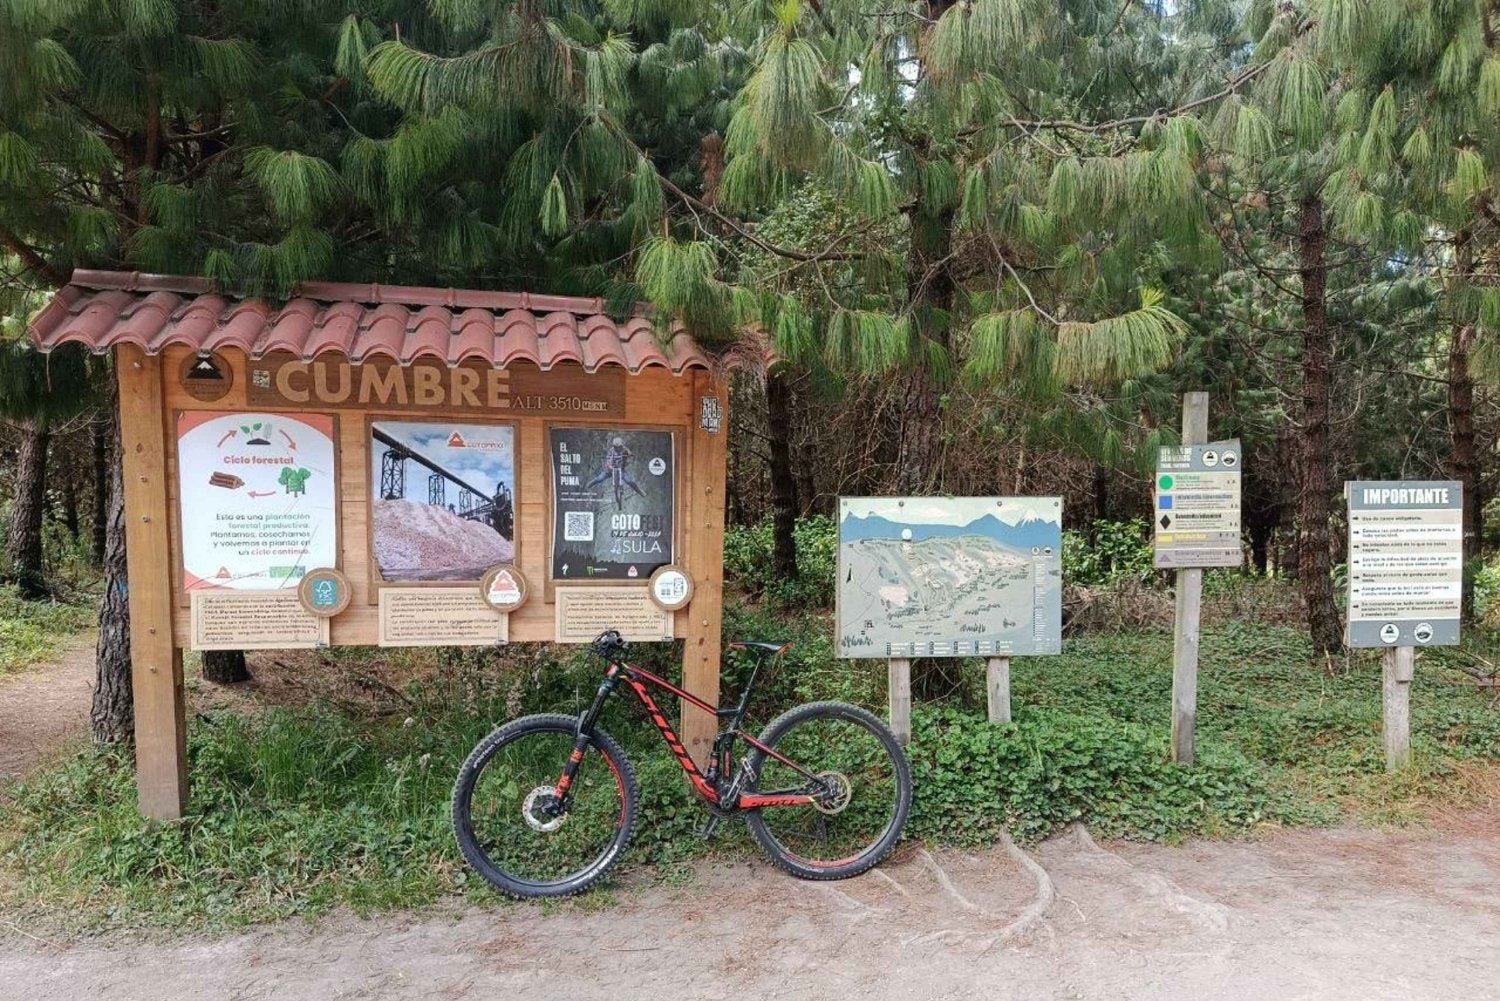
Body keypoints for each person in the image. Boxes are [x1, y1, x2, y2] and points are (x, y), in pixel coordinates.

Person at [586, 436, 647, 502]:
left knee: (629, 481)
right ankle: (590, 484)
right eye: (616, 447)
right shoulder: (611, 451)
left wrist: (629, 455)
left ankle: (640, 491)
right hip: (610, 470)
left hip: (621, 470)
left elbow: (629, 454)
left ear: (621, 446)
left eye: (619, 447)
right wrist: (609, 466)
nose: (617, 448)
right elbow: (609, 460)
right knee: (600, 478)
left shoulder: (624, 450)